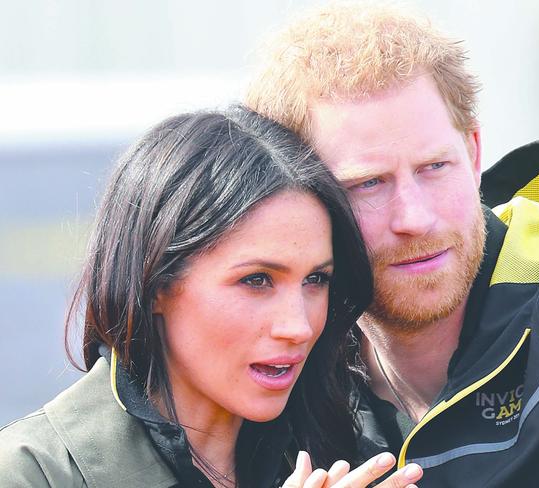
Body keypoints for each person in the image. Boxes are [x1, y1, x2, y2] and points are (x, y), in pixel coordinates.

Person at [245, 2, 539, 486]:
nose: (415, 217)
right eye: (368, 184)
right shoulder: (279, 373)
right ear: (300, 199)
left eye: (435, 167)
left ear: (473, 154)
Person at [0, 106, 424, 488]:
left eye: (315, 280)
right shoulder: (34, 473)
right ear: (156, 284)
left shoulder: (357, 455)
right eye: (257, 280)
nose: (297, 326)